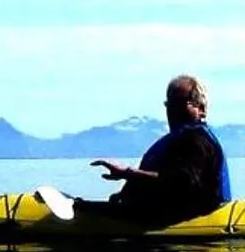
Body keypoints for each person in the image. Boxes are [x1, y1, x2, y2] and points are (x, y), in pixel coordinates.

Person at [91, 74, 231, 225]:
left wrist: (127, 173)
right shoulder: (178, 140)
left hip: (182, 218)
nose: (173, 110)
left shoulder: (197, 141)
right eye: (169, 104)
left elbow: (181, 183)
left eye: (180, 103)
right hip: (148, 213)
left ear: (201, 109)